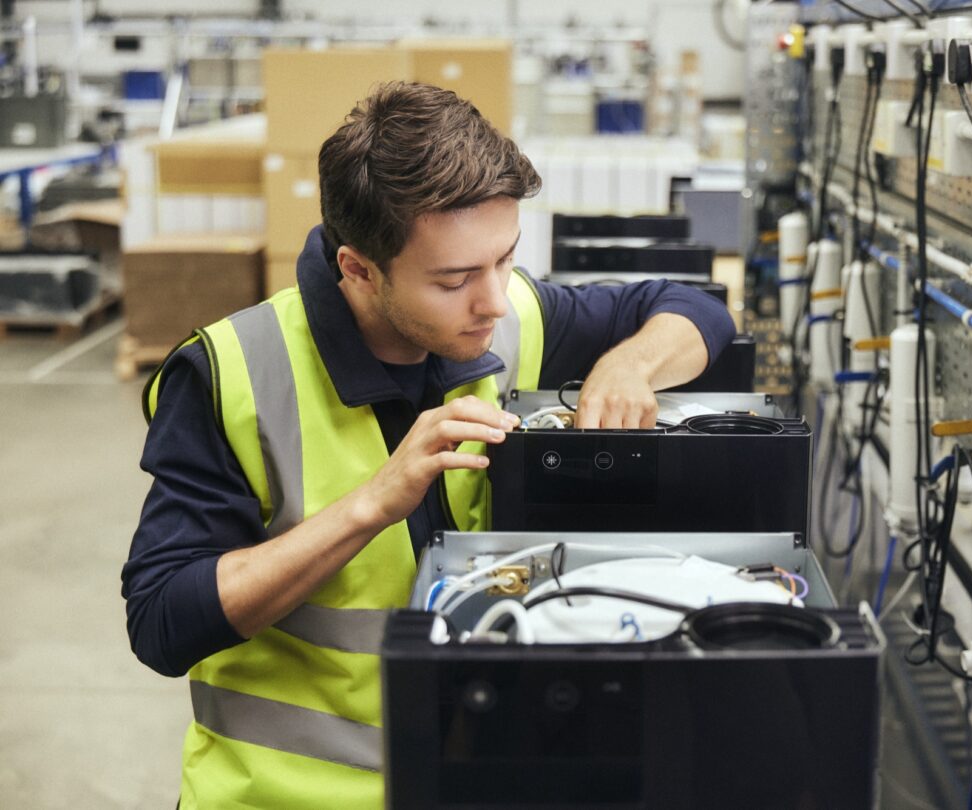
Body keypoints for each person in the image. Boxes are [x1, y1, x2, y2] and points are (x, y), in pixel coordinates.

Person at [121, 81, 735, 808]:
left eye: (504, 259)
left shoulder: (513, 321)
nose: (494, 299)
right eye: (454, 279)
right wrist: (371, 505)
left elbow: (694, 309)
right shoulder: (232, 375)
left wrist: (629, 364)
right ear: (358, 269)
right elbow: (162, 622)